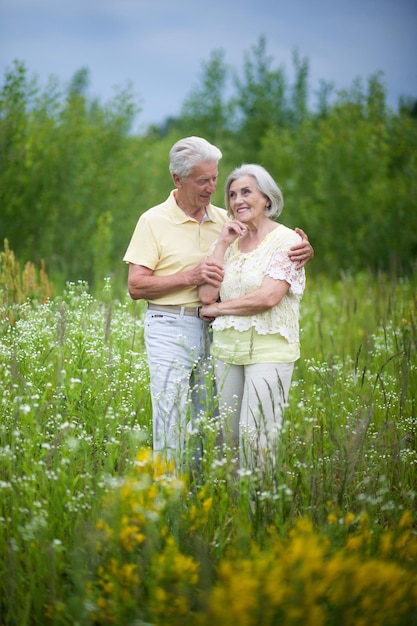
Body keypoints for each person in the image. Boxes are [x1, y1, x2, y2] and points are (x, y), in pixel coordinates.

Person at [123, 137, 313, 462]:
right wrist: (190, 277)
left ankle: (195, 501)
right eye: (202, 181)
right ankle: (166, 501)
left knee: (207, 420)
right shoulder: (153, 220)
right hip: (169, 324)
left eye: (214, 178)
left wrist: (305, 249)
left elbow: (266, 237)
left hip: (215, 331)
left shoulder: (227, 219)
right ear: (177, 179)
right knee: (170, 417)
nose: (212, 188)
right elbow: (136, 286)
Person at [198, 163, 306, 471]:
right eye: (232, 195)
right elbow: (207, 293)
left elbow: (269, 297)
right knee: (230, 439)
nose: (237, 200)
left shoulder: (288, 242)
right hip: (228, 350)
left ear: (267, 199)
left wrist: (218, 310)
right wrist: (220, 243)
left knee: (256, 439)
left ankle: (260, 512)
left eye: (246, 192)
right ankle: (234, 514)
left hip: (270, 349)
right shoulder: (229, 242)